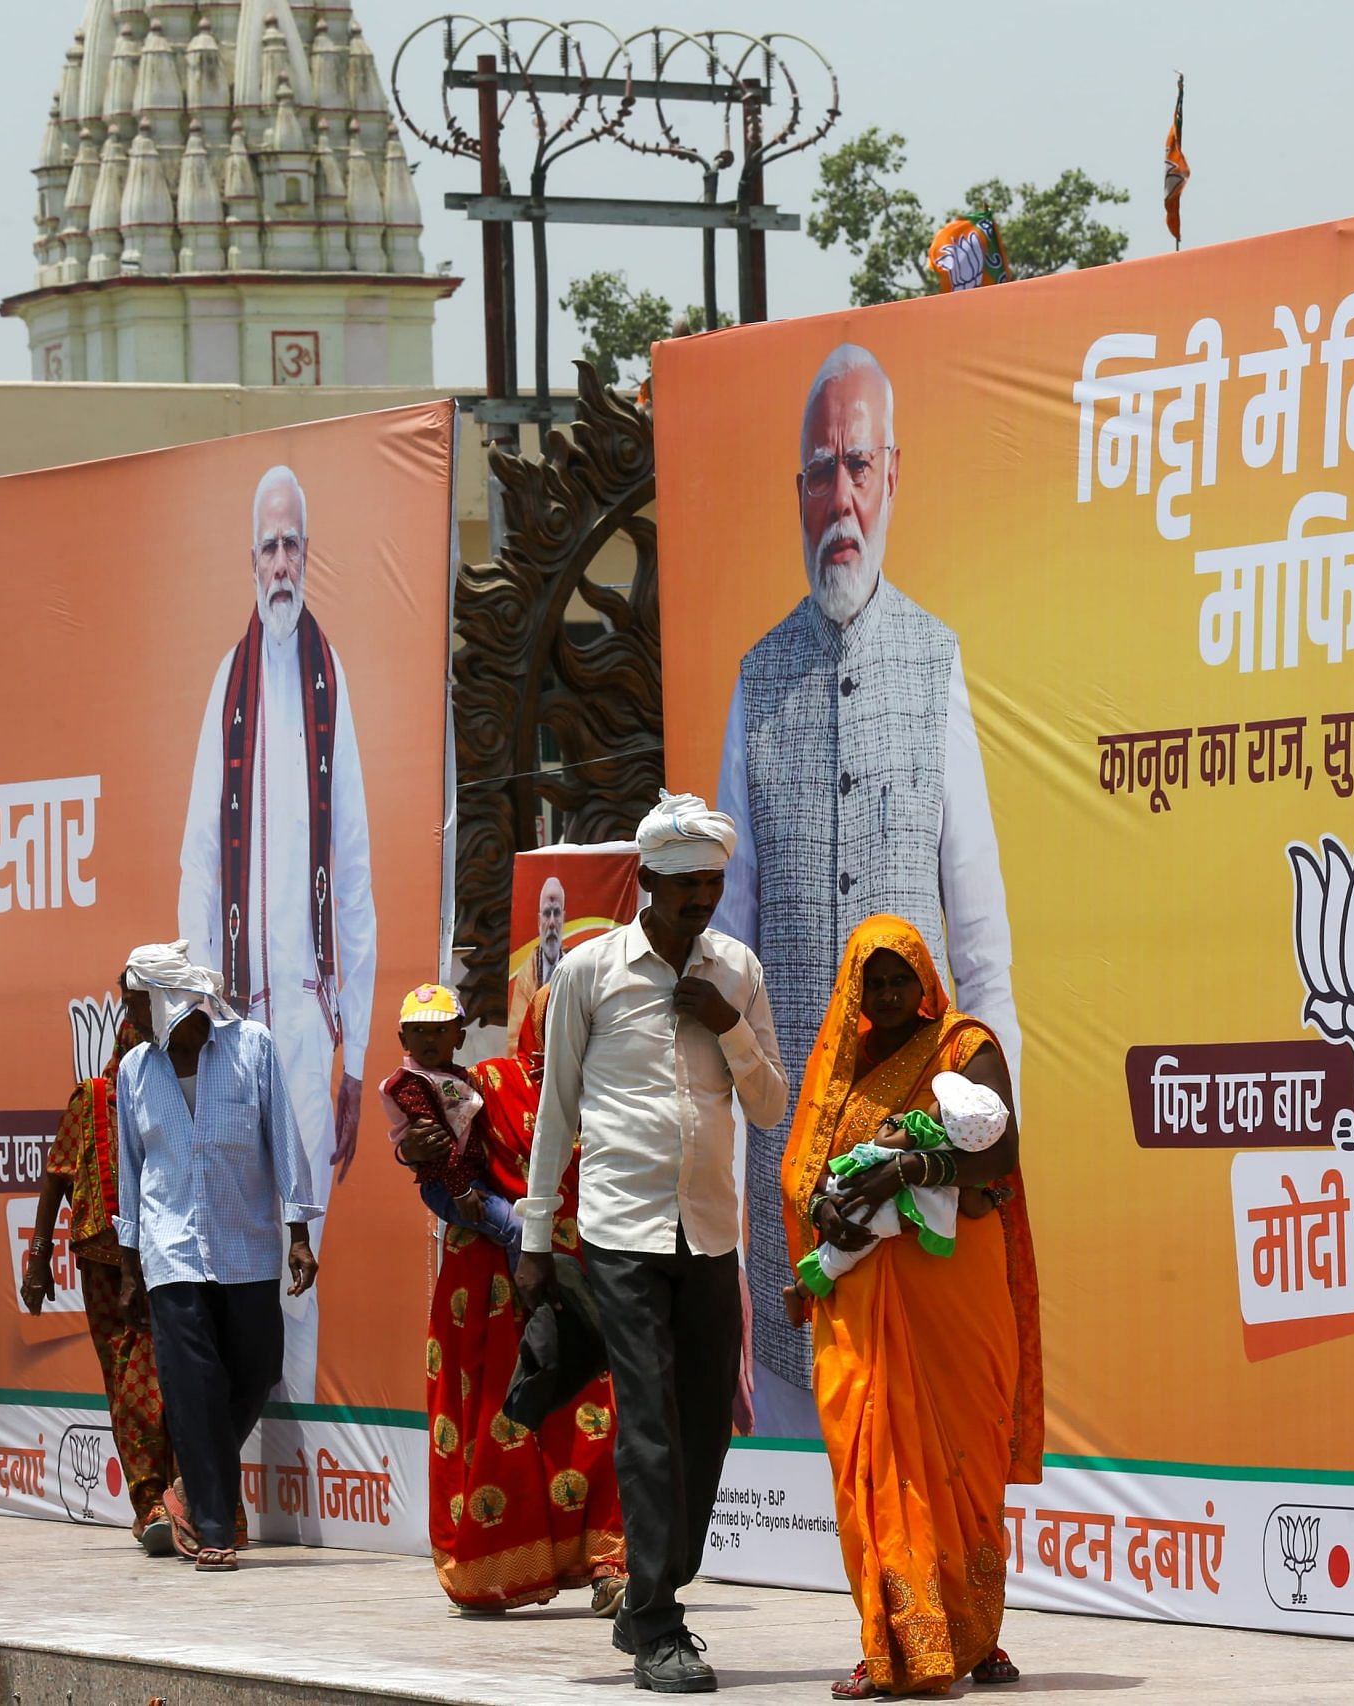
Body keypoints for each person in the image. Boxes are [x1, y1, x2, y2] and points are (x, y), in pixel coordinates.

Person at [713, 343, 1020, 1439]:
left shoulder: (936, 664)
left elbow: (980, 948)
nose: (838, 499)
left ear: (892, 475)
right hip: (789, 1180)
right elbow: (724, 948)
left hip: (915, 1173)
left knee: (918, 1460)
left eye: (856, 465)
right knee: (806, 1487)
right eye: (817, 473)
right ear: (795, 494)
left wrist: (992, 1136)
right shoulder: (758, 678)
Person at [517, 792, 788, 1694]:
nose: (700, 902)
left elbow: (770, 1105)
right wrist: (532, 1234)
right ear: (647, 883)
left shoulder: (736, 970)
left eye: (712, 884)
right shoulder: (591, 973)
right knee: (648, 1424)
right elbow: (555, 1110)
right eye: (684, 889)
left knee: (705, 1425)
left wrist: (730, 1025)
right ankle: (663, 1624)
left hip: (710, 1232)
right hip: (621, 1231)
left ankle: (647, 1600)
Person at [785, 917, 1040, 1699]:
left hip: (956, 1285)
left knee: (966, 1456)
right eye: (875, 983)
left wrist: (908, 1171)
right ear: (854, 991)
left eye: (902, 980)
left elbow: (999, 1151)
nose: (890, 995)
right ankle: (891, 1643)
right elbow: (806, 1176)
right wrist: (826, 1212)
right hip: (864, 1293)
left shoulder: (964, 1047)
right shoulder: (839, 1068)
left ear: (926, 979)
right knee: (873, 1459)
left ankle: (976, 1631)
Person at [178, 463, 376, 1402]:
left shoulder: (331, 683)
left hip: (310, 1025)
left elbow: (358, 871)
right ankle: (239, 1452)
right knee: (236, 1249)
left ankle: (291, 1457)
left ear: (310, 554)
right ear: (250, 559)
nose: (283, 561)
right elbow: (198, 863)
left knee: (305, 1253)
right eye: (269, 545)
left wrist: (358, 1049)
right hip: (235, 1021)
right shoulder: (232, 681)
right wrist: (195, 1013)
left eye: (295, 543)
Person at [112, 941, 321, 1572]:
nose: (128, 1018)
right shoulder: (134, 1071)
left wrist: (300, 1233)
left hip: (246, 1244)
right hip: (169, 1250)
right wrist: (129, 1258)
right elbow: (130, 1167)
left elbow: (282, 1139)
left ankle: (188, 1488)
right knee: (195, 1387)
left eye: (134, 1004)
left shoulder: (251, 1046)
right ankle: (212, 1528)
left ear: (166, 999)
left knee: (257, 1368)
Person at [420, 983, 628, 1614]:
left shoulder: (619, 1088)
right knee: (499, 1417)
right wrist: (496, 1218)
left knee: (594, 1417)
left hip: (587, 1271)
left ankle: (608, 1563)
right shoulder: (485, 1084)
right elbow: (439, 1178)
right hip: (490, 1281)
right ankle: (493, 1565)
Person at [22, 976, 186, 1555]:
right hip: (104, 1260)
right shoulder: (94, 1097)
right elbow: (56, 1179)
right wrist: (38, 1259)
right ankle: (149, 1505)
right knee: (132, 1385)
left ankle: (189, 1498)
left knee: (181, 1378)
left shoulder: (176, 1095)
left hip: (172, 1254)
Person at [787, 1070, 1009, 1304]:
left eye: (938, 1102)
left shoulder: (922, 1127)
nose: (932, 1102)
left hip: (866, 1187)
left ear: (944, 1115)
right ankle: (800, 1290)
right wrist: (995, 1198)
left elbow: (884, 1141)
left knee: (843, 1226)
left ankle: (799, 1289)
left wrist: (890, 1122)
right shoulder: (968, 1163)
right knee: (845, 1253)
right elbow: (973, 1206)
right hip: (899, 1214)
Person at [382, 982, 520, 1252]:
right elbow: (437, 1146)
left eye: (440, 1030)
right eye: (419, 1030)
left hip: (475, 1181)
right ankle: (533, 1292)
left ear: (460, 1037)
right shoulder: (413, 1084)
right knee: (520, 1231)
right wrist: (462, 1192)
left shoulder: (461, 1077)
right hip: (452, 1186)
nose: (429, 1039)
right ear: (403, 1039)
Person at [507, 875, 569, 1050]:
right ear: (538, 921)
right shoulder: (527, 974)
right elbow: (515, 1038)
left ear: (563, 919)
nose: (551, 923)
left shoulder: (574, 967)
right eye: (546, 914)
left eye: (556, 913)